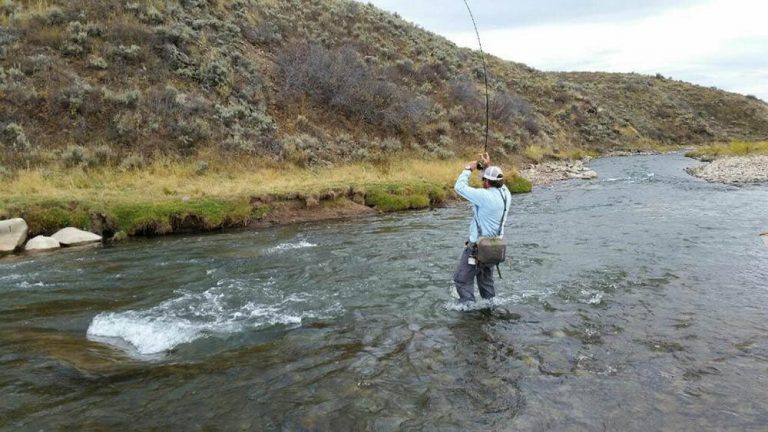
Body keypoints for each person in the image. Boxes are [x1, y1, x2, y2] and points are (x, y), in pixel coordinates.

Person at [453, 153, 512, 303]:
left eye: (483, 179)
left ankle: (468, 311)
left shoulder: (484, 196)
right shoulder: (506, 194)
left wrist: (469, 168)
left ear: (487, 182)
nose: (482, 181)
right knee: (486, 283)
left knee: (461, 280)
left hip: (476, 249)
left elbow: (459, 187)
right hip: (493, 248)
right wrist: (486, 167)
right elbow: (495, 179)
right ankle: (489, 309)